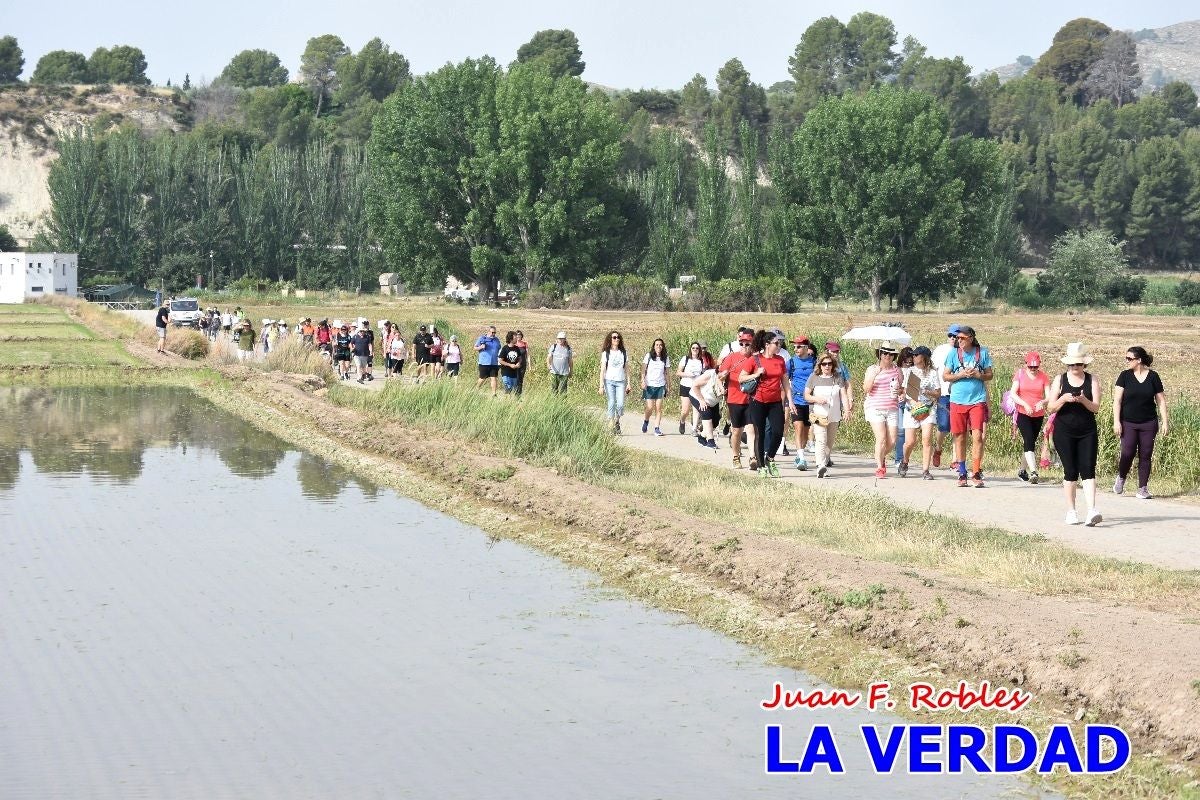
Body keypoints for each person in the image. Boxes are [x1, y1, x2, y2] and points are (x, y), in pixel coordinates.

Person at [1049, 343, 1103, 526]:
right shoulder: (1060, 380)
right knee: (1070, 471)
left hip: (1087, 430)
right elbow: (1050, 407)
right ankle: (1071, 511)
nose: (1075, 367)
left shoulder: (1092, 380)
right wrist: (1063, 399)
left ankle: (1092, 510)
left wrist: (1083, 400)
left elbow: (1096, 408)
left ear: (1084, 365)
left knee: (1088, 469)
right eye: (1072, 364)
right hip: (1064, 431)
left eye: (1078, 364)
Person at [1113, 346, 1169, 499]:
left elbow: (1161, 401)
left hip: (1148, 423)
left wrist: (1165, 422)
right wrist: (1116, 421)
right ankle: (1121, 477)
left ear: (1139, 360)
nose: (1127, 361)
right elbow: (1117, 401)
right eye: (1126, 358)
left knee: (1145, 455)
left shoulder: (1153, 377)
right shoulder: (1124, 376)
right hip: (1128, 422)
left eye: (1129, 359)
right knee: (1127, 452)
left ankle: (1142, 488)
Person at [942, 325, 993, 488]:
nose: (959, 340)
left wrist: (979, 375)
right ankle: (962, 472)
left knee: (978, 436)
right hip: (957, 400)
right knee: (960, 436)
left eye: (962, 338)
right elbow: (945, 376)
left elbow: (990, 374)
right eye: (957, 338)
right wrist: (960, 374)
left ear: (971, 337)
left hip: (977, 400)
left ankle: (976, 472)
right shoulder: (953, 354)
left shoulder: (982, 353)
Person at [739, 330, 792, 478]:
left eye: (779, 342)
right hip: (758, 401)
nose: (779, 345)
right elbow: (741, 378)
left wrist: (790, 400)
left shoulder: (780, 360)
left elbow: (785, 382)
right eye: (776, 343)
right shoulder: (755, 359)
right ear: (767, 344)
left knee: (778, 432)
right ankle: (761, 465)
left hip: (775, 401)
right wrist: (756, 374)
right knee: (760, 434)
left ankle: (770, 458)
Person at [805, 351, 851, 479]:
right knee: (821, 440)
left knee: (829, 443)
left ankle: (824, 462)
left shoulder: (837, 378)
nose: (827, 366)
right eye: (824, 364)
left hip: (834, 415)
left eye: (829, 363)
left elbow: (843, 396)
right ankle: (820, 466)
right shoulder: (813, 377)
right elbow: (807, 396)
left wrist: (847, 410)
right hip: (819, 414)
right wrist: (816, 399)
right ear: (819, 365)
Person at [863, 341, 903, 479]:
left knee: (892, 440)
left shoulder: (897, 370)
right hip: (875, 407)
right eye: (885, 353)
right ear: (880, 354)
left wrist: (899, 390)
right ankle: (880, 467)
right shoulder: (872, 369)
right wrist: (875, 375)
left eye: (891, 354)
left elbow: (901, 389)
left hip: (892, 406)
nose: (887, 356)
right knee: (881, 438)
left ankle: (881, 456)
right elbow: (866, 389)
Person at [1010, 351, 1052, 484]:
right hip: (1023, 413)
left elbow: (1049, 395)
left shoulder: (1043, 377)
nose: (1033, 369)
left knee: (1030, 442)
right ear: (1026, 365)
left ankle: (1022, 471)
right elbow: (1013, 393)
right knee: (1028, 439)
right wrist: (1024, 404)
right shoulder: (1020, 374)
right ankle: (1034, 472)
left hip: (1038, 414)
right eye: (1031, 367)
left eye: (1036, 367)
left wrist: (1043, 402)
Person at [901, 346, 941, 479]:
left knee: (927, 439)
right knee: (910, 441)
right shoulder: (910, 371)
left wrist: (927, 391)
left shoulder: (932, 373)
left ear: (924, 357)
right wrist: (914, 404)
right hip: (912, 407)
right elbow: (906, 393)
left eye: (916, 355)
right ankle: (905, 461)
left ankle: (925, 470)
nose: (913, 357)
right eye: (913, 355)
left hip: (928, 408)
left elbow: (938, 393)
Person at [719, 330, 756, 468]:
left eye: (747, 343)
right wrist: (722, 379)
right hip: (735, 398)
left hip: (751, 399)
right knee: (737, 431)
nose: (744, 346)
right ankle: (736, 456)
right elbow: (720, 374)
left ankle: (752, 457)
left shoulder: (755, 358)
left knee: (751, 429)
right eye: (742, 343)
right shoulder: (732, 358)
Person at [930, 324, 960, 468]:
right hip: (943, 392)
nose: (953, 338)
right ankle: (938, 448)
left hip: (959, 394)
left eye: (956, 336)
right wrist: (933, 390)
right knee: (943, 425)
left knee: (957, 427)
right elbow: (933, 369)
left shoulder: (964, 352)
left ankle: (955, 459)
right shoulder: (940, 350)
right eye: (951, 336)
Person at [787, 336, 817, 470]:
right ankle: (802, 459)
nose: (795, 349)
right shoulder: (791, 363)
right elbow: (784, 382)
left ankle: (800, 454)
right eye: (794, 346)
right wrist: (789, 401)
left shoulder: (815, 363)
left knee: (806, 431)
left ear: (806, 348)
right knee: (798, 428)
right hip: (796, 400)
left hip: (810, 402)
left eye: (798, 346)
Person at [599, 330, 631, 434]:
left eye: (618, 337)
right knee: (611, 402)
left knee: (620, 404)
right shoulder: (606, 353)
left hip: (621, 381)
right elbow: (603, 370)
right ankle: (611, 424)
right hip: (609, 381)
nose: (616, 339)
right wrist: (601, 386)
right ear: (610, 339)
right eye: (614, 337)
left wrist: (629, 383)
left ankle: (617, 421)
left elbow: (627, 369)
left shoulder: (624, 353)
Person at [689, 366, 724, 449]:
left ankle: (702, 437)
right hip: (697, 396)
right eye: (723, 372)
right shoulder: (710, 374)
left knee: (715, 420)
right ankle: (711, 442)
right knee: (706, 413)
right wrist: (701, 400)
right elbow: (695, 385)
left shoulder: (729, 380)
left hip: (713, 401)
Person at [640, 338, 670, 436]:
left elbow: (667, 373)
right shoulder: (648, 356)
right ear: (654, 346)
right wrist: (643, 381)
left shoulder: (665, 358)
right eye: (657, 345)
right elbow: (643, 370)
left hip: (660, 385)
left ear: (663, 346)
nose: (659, 347)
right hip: (649, 385)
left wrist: (668, 385)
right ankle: (646, 420)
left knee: (659, 408)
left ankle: (657, 428)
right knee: (650, 407)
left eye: (660, 345)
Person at [676, 342, 705, 434]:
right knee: (685, 410)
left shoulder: (701, 361)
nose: (695, 350)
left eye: (697, 348)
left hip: (696, 387)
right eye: (693, 348)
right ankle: (682, 421)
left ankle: (694, 429)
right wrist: (688, 375)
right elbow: (678, 372)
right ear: (690, 349)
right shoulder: (685, 359)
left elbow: (703, 373)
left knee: (696, 408)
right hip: (685, 385)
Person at [474, 325, 501, 396]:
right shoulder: (482, 338)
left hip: (494, 362)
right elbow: (475, 348)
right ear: (488, 331)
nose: (493, 334)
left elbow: (499, 348)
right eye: (492, 332)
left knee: (494, 378)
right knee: (482, 378)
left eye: (495, 332)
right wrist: (481, 347)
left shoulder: (497, 340)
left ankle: (494, 394)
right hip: (484, 363)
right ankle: (476, 389)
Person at [499, 331, 525, 396]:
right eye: (515, 337)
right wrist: (510, 365)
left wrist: (518, 363)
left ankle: (513, 403)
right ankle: (506, 403)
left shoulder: (516, 348)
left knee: (514, 389)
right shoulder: (505, 348)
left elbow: (520, 358)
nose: (517, 338)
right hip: (506, 373)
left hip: (514, 373)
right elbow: (500, 360)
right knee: (508, 389)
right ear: (511, 339)